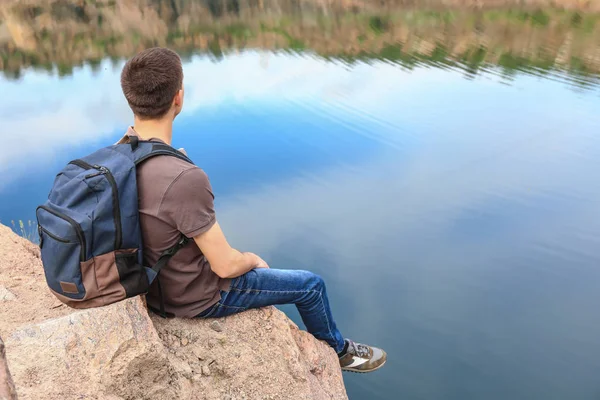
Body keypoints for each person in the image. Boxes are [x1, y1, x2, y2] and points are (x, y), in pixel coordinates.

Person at [117, 47, 387, 373]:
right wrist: (252, 259)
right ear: (179, 98)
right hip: (193, 298)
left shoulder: (118, 156)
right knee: (310, 286)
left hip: (149, 283)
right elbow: (225, 266)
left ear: (131, 100)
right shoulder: (184, 177)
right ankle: (340, 352)